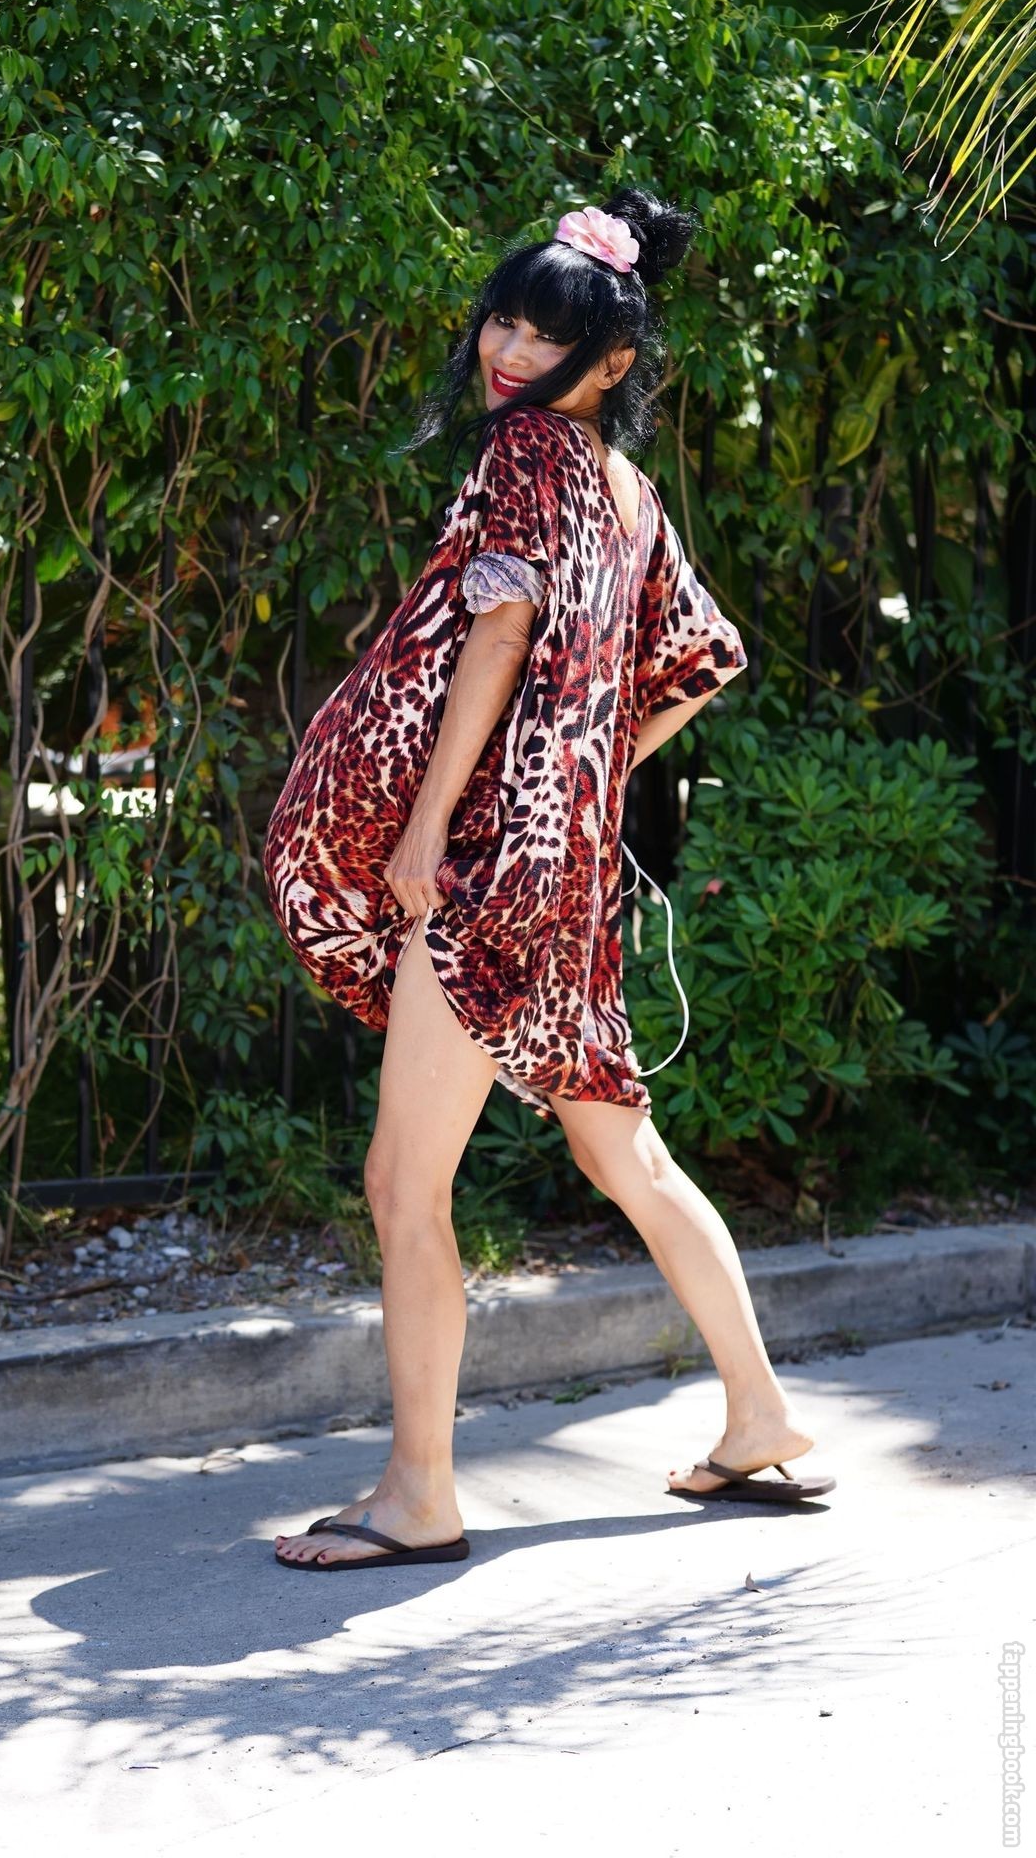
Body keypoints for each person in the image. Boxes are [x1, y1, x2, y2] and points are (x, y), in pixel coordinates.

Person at [263, 188, 835, 1574]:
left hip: (487, 868)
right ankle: (759, 1416)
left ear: (613, 359)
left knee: (403, 1181)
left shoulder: (524, 452)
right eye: (502, 323)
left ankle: (419, 1496)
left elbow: (501, 628)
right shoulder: (627, 488)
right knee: (621, 1150)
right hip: (560, 869)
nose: (510, 353)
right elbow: (707, 658)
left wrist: (431, 826)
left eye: (546, 335)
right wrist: (584, 770)